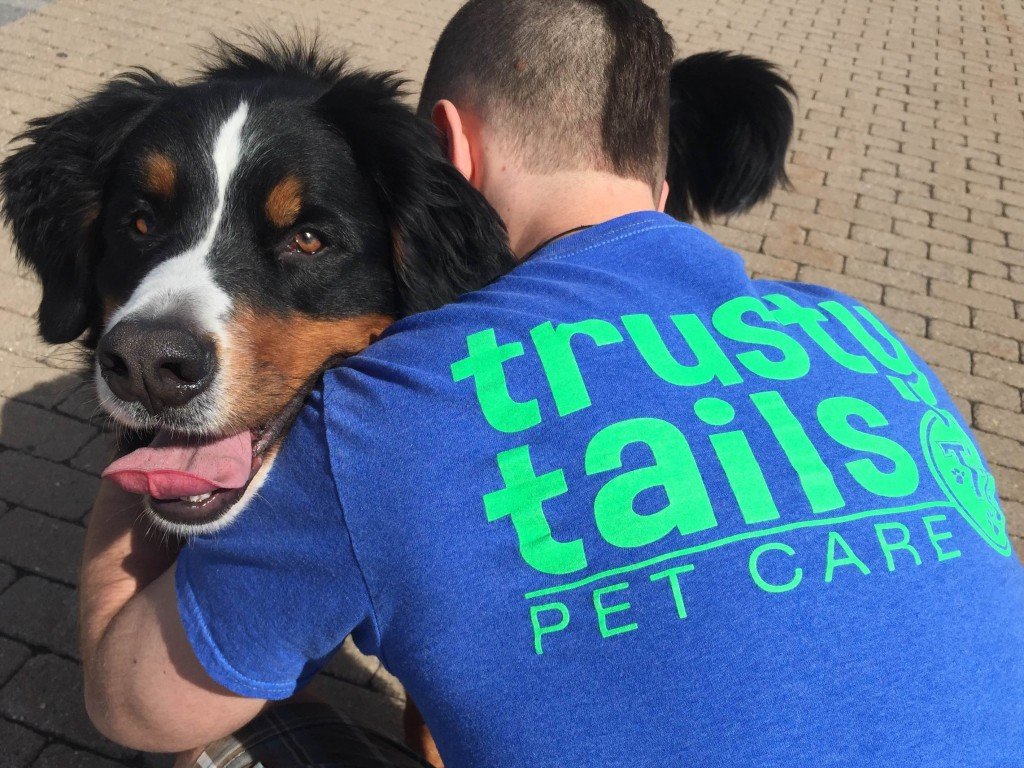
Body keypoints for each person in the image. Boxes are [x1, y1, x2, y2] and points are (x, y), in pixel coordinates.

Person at [80, 0, 1024, 766]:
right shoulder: (861, 333)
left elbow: (126, 704)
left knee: (220, 720)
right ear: (657, 171)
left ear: (448, 148)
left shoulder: (387, 415)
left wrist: (141, 464)